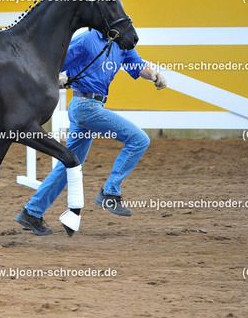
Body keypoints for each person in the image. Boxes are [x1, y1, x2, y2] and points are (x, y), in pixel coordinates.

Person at [15, 28, 167, 236]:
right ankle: (110, 192)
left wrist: (154, 75)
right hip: (86, 106)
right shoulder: (87, 39)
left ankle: (32, 212)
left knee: (70, 162)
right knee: (139, 139)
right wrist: (57, 77)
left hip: (90, 107)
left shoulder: (122, 42)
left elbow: (138, 66)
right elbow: (56, 62)